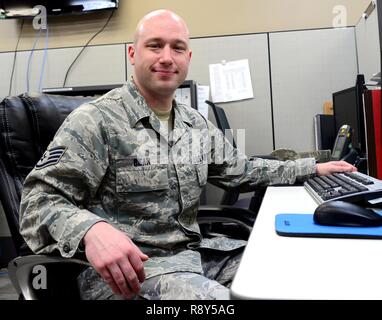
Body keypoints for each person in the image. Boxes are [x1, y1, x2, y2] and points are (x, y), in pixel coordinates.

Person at [19, 9, 356, 300]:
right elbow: (37, 204)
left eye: (177, 48)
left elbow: (241, 170)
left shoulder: (194, 123)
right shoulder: (96, 121)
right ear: (132, 53)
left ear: (188, 59)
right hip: (131, 275)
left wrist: (312, 168)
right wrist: (91, 231)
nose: (167, 56)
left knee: (303, 274)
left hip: (196, 258)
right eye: (155, 45)